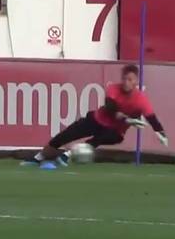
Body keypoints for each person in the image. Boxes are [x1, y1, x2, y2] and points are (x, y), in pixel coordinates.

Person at [23, 64, 167, 167]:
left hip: (115, 131)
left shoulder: (141, 99)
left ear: (136, 81)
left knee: (103, 138)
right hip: (96, 120)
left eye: (130, 79)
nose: (126, 82)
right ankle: (38, 158)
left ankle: (66, 156)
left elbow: (151, 118)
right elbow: (111, 108)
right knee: (63, 136)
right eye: (124, 78)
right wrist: (126, 118)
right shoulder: (113, 88)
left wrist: (160, 133)